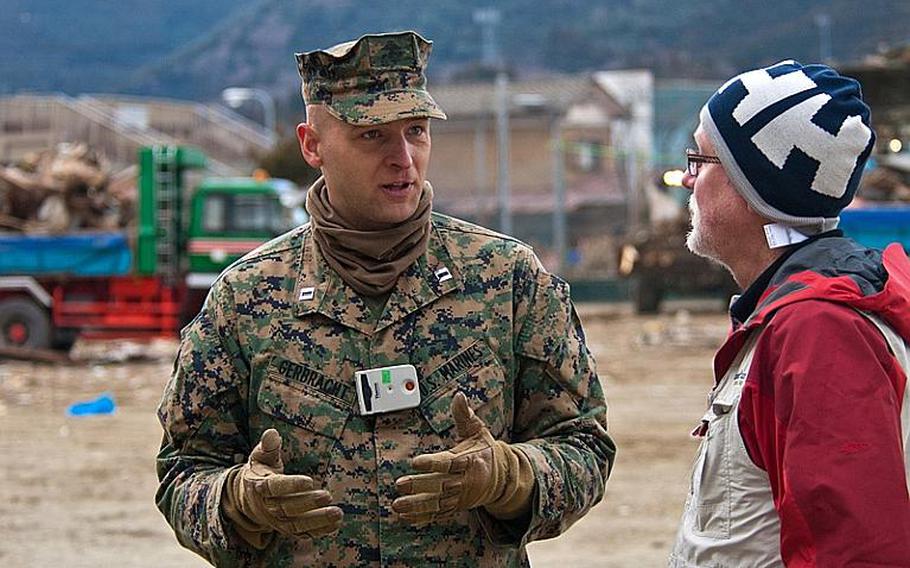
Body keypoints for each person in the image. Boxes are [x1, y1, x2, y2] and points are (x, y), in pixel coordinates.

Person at [156, 31, 615, 567]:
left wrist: (510, 478)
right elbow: (183, 475)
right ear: (312, 144)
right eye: (372, 135)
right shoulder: (245, 299)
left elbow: (584, 446)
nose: (403, 158)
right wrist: (237, 501)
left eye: (416, 132)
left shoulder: (507, 280)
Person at [669, 60, 910, 567]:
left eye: (701, 158)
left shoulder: (819, 330)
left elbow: (857, 551)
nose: (688, 179)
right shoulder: (797, 313)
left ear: (756, 190)